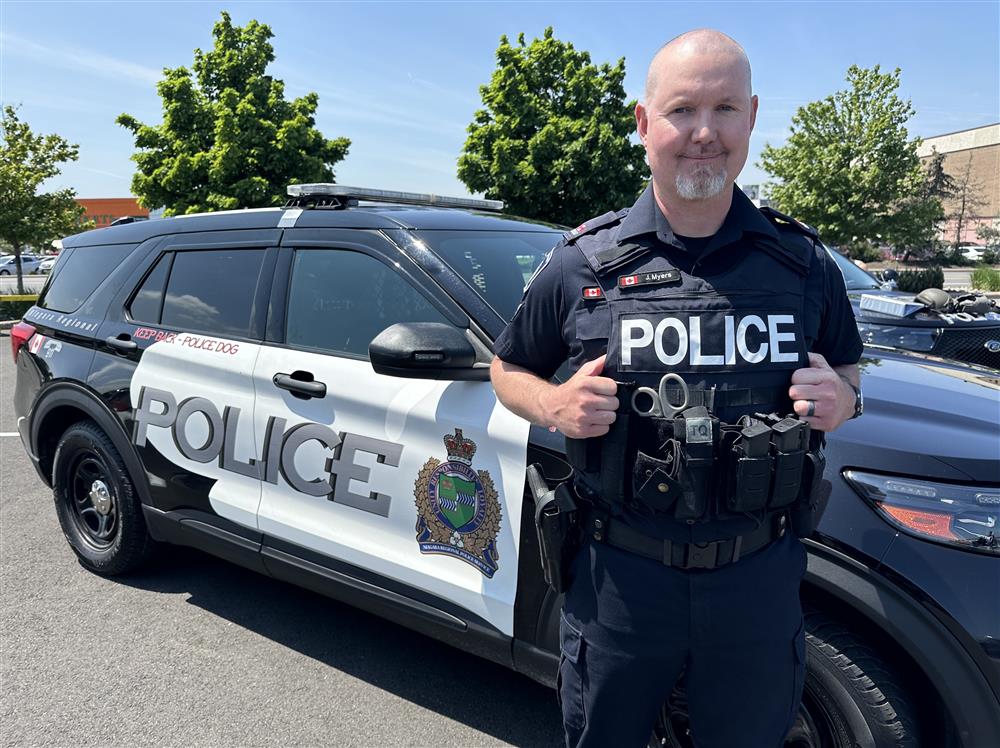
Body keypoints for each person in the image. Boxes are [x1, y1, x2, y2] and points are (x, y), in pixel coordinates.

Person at [490, 29, 863, 748]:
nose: (703, 132)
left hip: (756, 580)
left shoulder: (803, 264)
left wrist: (845, 398)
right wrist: (554, 405)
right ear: (644, 123)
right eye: (682, 109)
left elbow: (847, 368)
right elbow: (507, 370)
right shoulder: (583, 261)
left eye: (725, 109)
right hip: (621, 582)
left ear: (752, 117)